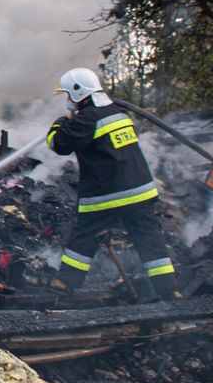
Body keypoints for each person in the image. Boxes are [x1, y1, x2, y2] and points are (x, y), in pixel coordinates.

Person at [45, 67, 181, 300]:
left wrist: (59, 124)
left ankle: (64, 283)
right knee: (149, 238)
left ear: (79, 92)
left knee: (85, 236)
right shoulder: (115, 112)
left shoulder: (87, 119)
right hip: (140, 190)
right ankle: (169, 289)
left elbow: (59, 144)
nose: (68, 101)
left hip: (108, 192)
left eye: (68, 95)